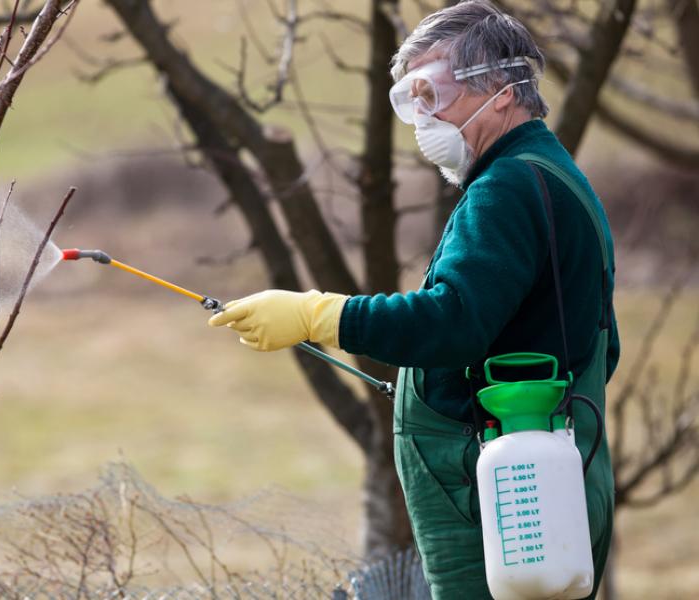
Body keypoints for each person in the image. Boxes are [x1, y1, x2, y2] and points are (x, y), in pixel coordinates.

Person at [207, 1, 619, 598]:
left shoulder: (507, 189)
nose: (422, 117)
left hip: (508, 502)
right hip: (536, 487)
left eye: (434, 93)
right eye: (411, 100)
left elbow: (452, 323)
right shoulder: (547, 174)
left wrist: (317, 314)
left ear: (501, 91)